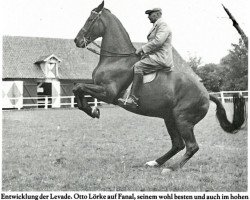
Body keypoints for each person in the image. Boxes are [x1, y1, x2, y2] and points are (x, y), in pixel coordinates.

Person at [118, 8, 174, 108]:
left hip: (161, 58)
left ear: (158, 14)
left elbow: (158, 41)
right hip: (155, 56)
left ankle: (133, 99)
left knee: (138, 67)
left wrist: (142, 49)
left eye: (150, 14)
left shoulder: (163, 25)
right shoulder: (156, 26)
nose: (148, 17)